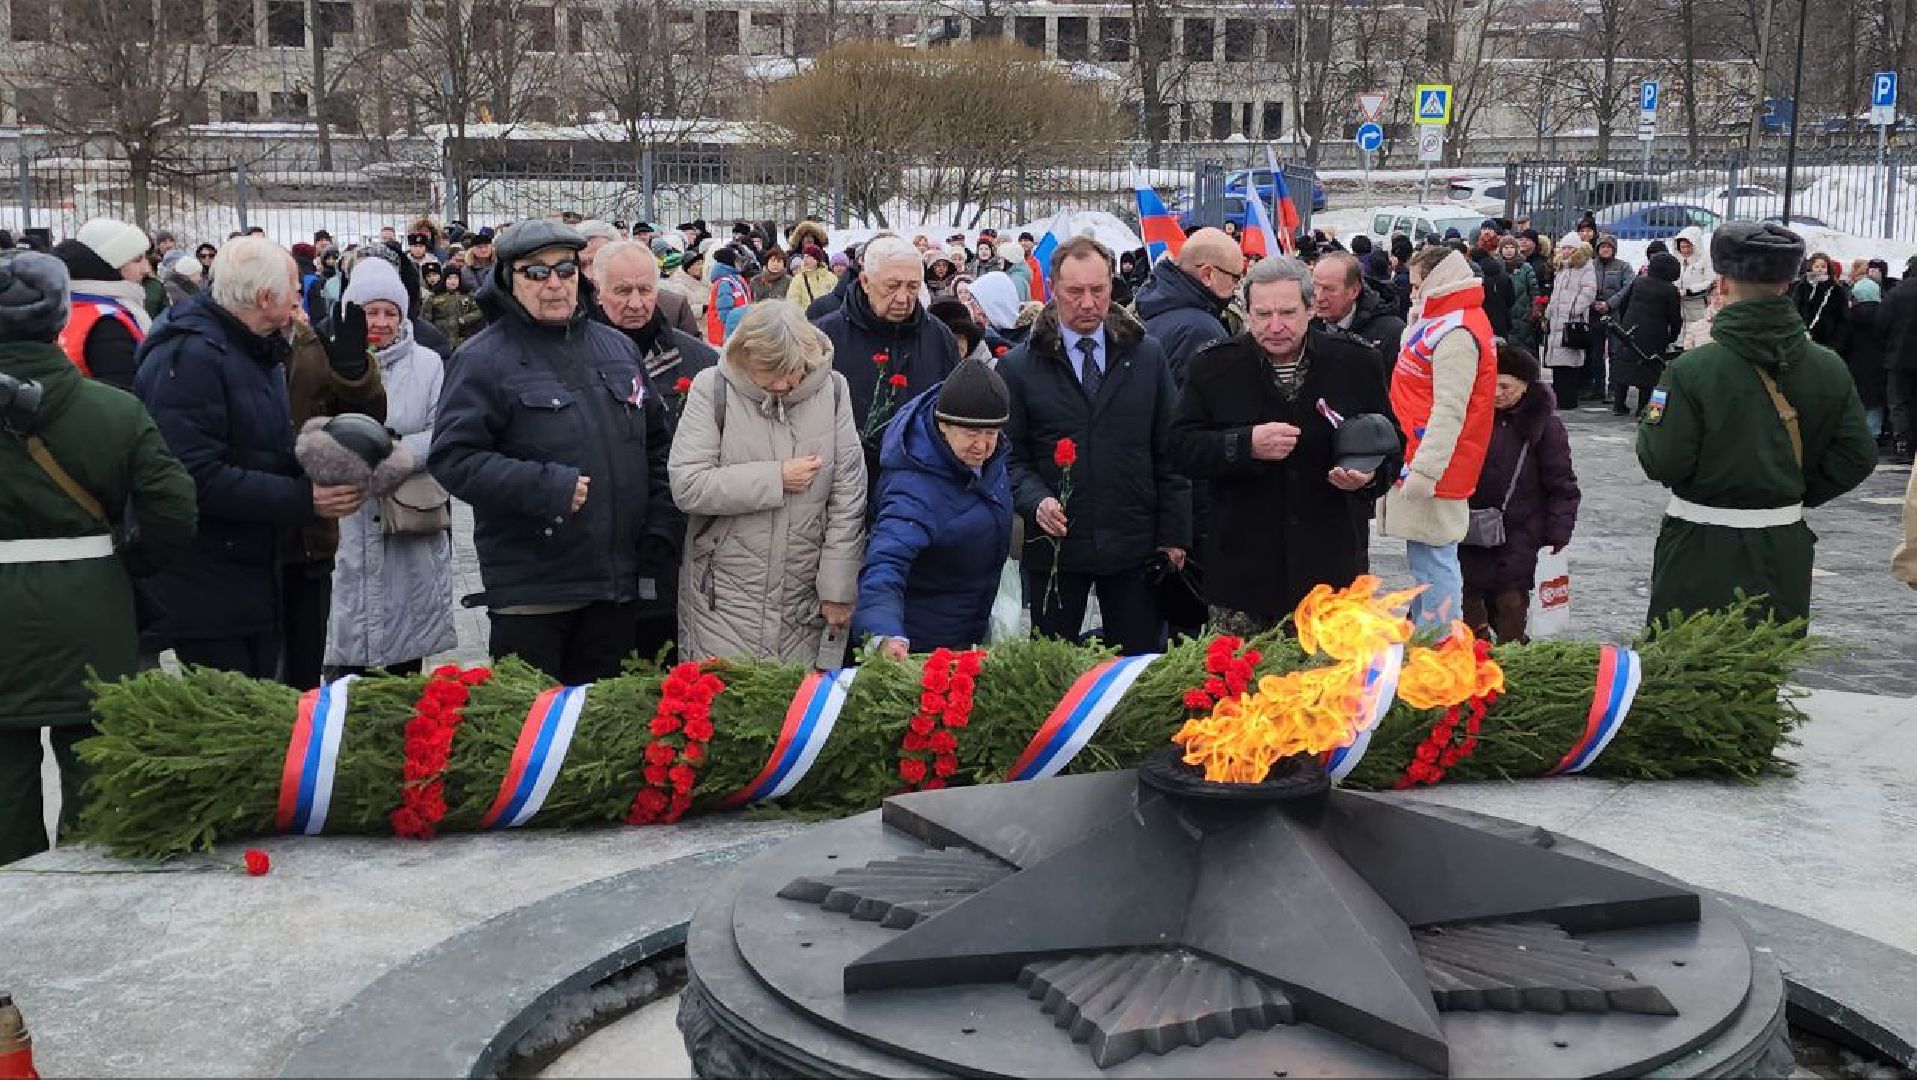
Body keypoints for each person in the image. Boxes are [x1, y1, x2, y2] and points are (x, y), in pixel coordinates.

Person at [0, 251, 197, 865]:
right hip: (93, 605)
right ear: (60, 319)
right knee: (98, 772)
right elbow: (174, 510)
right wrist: (125, 566)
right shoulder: (113, 410)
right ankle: (85, 899)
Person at [430, 220, 680, 685]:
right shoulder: (483, 359)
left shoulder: (617, 348)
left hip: (614, 589)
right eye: (536, 273)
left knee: (601, 737)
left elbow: (656, 446)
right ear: (508, 279)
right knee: (535, 741)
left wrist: (660, 526)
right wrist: (545, 486)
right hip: (534, 592)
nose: (554, 284)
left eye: (565, 270)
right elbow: (453, 458)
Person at [135, 236, 371, 678]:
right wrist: (305, 500)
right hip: (212, 581)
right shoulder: (191, 356)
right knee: (238, 719)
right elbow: (193, 476)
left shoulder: (252, 346)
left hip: (257, 568)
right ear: (266, 298)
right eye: (293, 289)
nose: (301, 297)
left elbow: (259, 445)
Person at [1637, 223, 1878, 629]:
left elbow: (1663, 460)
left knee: (1686, 672)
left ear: (1723, 283)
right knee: (1764, 671)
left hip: (1700, 545)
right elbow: (1858, 454)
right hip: (1782, 546)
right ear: (1787, 285)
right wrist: (1788, 490)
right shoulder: (1827, 366)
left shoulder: (1692, 370)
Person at [1168, 256, 1401, 634]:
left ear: (1311, 309)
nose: (1275, 326)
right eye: (1263, 314)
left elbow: (1390, 443)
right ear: (1246, 312)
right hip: (1243, 574)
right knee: (1240, 690)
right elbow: (1179, 448)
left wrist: (1368, 478)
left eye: (1288, 313)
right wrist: (1244, 445)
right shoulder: (1214, 367)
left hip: (1329, 570)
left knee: (1328, 689)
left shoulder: (1355, 362)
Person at [1000, 236, 1191, 655]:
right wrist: (1036, 501)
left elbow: (1171, 452)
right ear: (1052, 289)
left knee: (1137, 666)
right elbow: (1008, 456)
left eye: (1098, 290)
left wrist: (1174, 536)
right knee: (1053, 670)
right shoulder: (1018, 366)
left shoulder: (1146, 356)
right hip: (1054, 548)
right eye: (1075, 292)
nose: (1088, 303)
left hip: (1134, 544)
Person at [668, 300, 866, 663]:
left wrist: (838, 588)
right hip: (725, 596)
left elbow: (847, 494)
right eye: (768, 373)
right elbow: (688, 484)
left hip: (802, 596)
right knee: (723, 706)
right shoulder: (713, 388)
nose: (782, 384)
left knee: (798, 711)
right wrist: (776, 478)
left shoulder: (833, 390)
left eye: (792, 372)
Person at [322, 260, 454, 676]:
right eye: (369, 311)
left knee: (403, 659)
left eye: (390, 312)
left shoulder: (429, 363)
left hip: (408, 526)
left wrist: (391, 454)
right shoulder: (323, 359)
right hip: (346, 524)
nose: (380, 322)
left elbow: (445, 431)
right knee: (343, 657)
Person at [856, 358, 1014, 657]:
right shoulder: (912, 489)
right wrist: (885, 633)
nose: (982, 446)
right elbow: (884, 565)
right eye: (971, 434)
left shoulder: (988, 462)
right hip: (918, 646)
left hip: (967, 631)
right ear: (944, 426)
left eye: (990, 434)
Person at [1378, 245, 1499, 628]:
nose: (1412, 293)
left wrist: (1426, 470)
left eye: (1417, 285)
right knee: (1425, 557)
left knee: (1434, 559)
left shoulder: (1457, 331)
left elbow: (1451, 409)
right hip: (1422, 454)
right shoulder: (1442, 320)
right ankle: (1431, 635)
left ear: (1437, 280)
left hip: (1436, 463)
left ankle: (1440, 645)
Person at [1458, 345, 1580, 643]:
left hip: (1520, 532)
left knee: (1511, 605)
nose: (1497, 393)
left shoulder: (1545, 426)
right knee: (1468, 603)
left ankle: (1510, 669)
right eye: (1491, 384)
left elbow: (1562, 484)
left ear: (1526, 385)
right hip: (1470, 528)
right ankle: (1474, 669)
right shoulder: (1470, 417)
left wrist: (1558, 531)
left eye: (1506, 386)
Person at [814, 235, 962, 443]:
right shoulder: (823, 339)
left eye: (912, 287)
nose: (903, 298)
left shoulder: (940, 338)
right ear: (865, 282)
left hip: (918, 469)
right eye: (892, 286)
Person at [51, 218, 154, 390]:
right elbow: (122, 392)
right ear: (111, 264)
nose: (146, 268)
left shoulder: (67, 304)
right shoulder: (107, 322)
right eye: (137, 259)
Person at [1134, 228, 1242, 387]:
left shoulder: (1151, 308)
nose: (1237, 286)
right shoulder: (1201, 330)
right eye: (1235, 277)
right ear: (1207, 274)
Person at [1608, 251, 1683, 417]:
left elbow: (1624, 302)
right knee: (1649, 371)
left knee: (1624, 365)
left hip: (1630, 328)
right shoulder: (1670, 290)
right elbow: (1675, 318)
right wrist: (1672, 336)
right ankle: (1643, 407)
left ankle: (1619, 404)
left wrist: (1625, 321)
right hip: (1655, 334)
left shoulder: (1638, 282)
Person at [1310, 250, 1406, 379]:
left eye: (1329, 289)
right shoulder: (1305, 324)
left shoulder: (1391, 333)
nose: (1319, 297)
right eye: (1315, 287)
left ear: (1354, 291)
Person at [1542, 241, 1597, 411]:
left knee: (1569, 362)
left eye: (1570, 248)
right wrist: (1548, 314)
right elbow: (1555, 295)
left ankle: (1568, 399)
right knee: (1558, 364)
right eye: (1564, 248)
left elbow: (1588, 291)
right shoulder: (1562, 268)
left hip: (1572, 320)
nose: (1566, 251)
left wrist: (1574, 309)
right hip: (1557, 320)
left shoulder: (1585, 267)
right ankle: (1559, 398)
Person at [1875, 255, 1917, 465]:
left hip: (1899, 357)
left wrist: (1889, 344)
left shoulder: (1897, 293)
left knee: (1899, 401)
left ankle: (1903, 443)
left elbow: (1881, 323)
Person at [1841, 277, 1889, 454]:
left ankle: (1858, 435)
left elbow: (1844, 341)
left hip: (1856, 362)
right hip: (1880, 363)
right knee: (1876, 401)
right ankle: (1874, 434)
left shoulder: (1850, 316)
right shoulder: (1884, 314)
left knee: (1859, 399)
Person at [1587, 235, 1633, 399]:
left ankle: (1614, 389)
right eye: (1602, 246)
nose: (1605, 249)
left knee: (1615, 352)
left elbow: (1628, 287)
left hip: (1615, 314)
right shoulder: (1590, 265)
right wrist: (1593, 302)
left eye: (1608, 246)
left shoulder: (1623, 266)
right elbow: (1585, 285)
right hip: (1594, 313)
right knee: (1595, 352)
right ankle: (1597, 388)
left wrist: (1610, 304)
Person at [1792, 251, 1848, 351]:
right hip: (1801, 339)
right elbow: (1794, 310)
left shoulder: (1837, 290)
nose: (1819, 270)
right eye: (1817, 266)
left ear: (1828, 269)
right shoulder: (1801, 286)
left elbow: (1843, 319)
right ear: (1811, 267)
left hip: (1826, 342)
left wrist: (1836, 344)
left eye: (1823, 267)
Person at [423, 263, 485, 352]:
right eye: (449, 278)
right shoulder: (433, 297)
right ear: (444, 280)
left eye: (456, 278)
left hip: (463, 341)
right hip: (442, 340)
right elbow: (425, 319)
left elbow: (479, 311)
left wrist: (466, 319)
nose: (453, 281)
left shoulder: (466, 295)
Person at [1674, 225, 1716, 350]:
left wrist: (1690, 290)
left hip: (1698, 305)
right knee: (1680, 340)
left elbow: (1710, 281)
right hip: (1680, 306)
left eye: (1688, 246)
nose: (1685, 250)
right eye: (1682, 247)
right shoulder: (1678, 261)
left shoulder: (1705, 260)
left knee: (1697, 337)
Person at [704, 246, 754, 345]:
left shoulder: (735, 278)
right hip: (725, 336)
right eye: (736, 260)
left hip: (736, 332)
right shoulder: (724, 282)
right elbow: (724, 314)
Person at [1499, 236, 1540, 352]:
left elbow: (1535, 292)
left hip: (1524, 318)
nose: (1508, 250)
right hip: (1505, 318)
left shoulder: (1526, 268)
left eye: (1511, 247)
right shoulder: (1498, 268)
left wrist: (1534, 311)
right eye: (1505, 247)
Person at [786, 244, 838, 309]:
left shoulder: (832, 278)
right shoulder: (798, 279)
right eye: (804, 256)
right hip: (806, 317)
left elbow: (837, 300)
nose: (805, 259)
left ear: (817, 259)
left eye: (808, 256)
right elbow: (792, 302)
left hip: (828, 316)